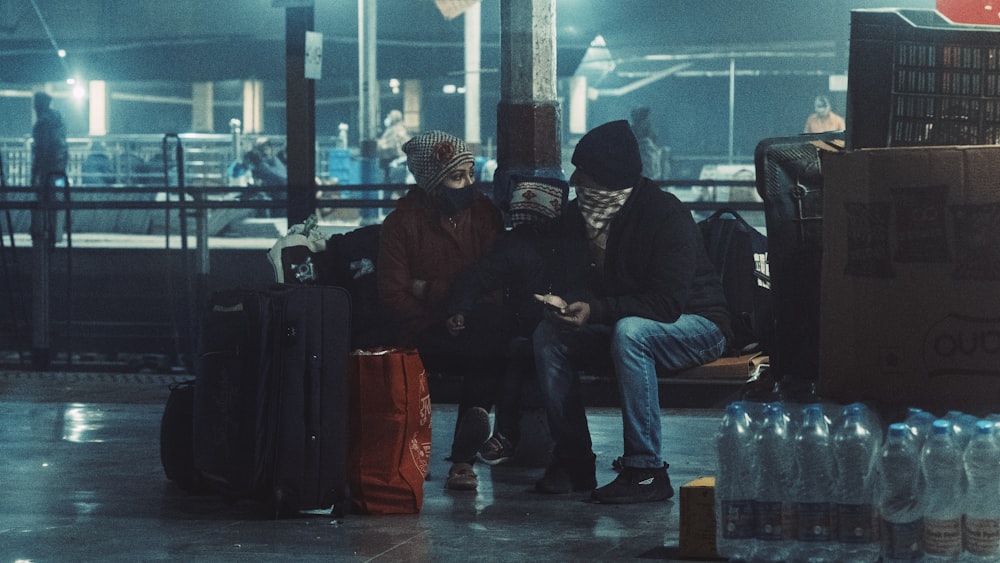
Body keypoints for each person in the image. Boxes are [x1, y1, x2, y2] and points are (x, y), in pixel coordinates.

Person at [531, 120, 734, 504]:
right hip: (624, 322)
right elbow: (572, 277)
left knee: (631, 332)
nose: (575, 181)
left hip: (699, 324)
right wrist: (562, 304)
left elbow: (667, 305)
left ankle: (645, 470)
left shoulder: (664, 215)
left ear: (607, 180)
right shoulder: (580, 217)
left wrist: (595, 310)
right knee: (549, 337)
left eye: (584, 173)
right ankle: (574, 460)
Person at [377, 130, 506, 491]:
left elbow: (494, 282)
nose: (468, 184)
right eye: (456, 176)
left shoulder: (485, 216)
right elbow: (393, 293)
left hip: (475, 323)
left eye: (470, 174)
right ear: (433, 182)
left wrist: (432, 290)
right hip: (423, 329)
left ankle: (463, 459)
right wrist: (441, 314)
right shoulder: (401, 224)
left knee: (489, 343)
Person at [445, 176, 574, 465]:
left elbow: (475, 276)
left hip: (531, 326)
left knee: (513, 352)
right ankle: (513, 439)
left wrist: (459, 310)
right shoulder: (570, 242)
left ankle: (503, 437)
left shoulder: (513, 244)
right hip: (555, 324)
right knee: (520, 353)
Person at [30, 91, 68, 245]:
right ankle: (56, 232)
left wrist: (35, 173)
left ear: (40, 105)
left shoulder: (42, 124)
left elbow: (42, 150)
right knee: (58, 198)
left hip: (46, 170)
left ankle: (43, 232)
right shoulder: (59, 121)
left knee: (43, 199)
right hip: (60, 169)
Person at [377, 109, 410, 184]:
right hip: (392, 162)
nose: (387, 118)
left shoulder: (396, 130)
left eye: (389, 116)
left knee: (394, 185)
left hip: (394, 161)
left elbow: (389, 145)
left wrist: (378, 145)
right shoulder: (393, 129)